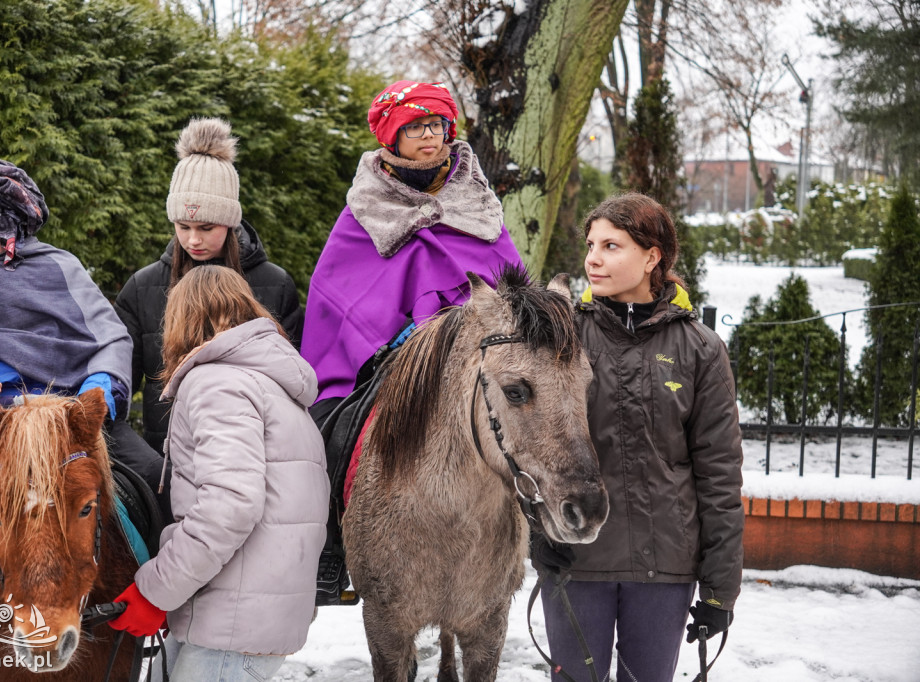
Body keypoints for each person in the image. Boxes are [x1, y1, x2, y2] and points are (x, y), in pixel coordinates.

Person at [0, 155, 167, 568]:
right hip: (0, 420)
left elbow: (110, 333)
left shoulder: (61, 266)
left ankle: (155, 593)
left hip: (74, 414)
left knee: (155, 477)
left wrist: (99, 387)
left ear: (8, 215)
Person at [530, 192, 744, 682]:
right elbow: (527, 448)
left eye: (611, 245)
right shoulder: (561, 339)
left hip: (664, 568)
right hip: (576, 559)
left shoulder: (699, 349)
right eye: (590, 244)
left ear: (652, 256)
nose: (592, 258)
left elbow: (719, 474)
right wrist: (539, 534)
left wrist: (719, 590)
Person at [108, 265, 328, 682]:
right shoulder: (272, 384)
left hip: (233, 622)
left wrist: (156, 591)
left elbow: (230, 505)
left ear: (180, 319)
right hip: (244, 610)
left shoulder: (217, 383)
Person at [301, 80, 524, 422]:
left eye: (436, 125)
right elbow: (335, 297)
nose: (429, 135)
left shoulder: (478, 206)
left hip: (482, 369)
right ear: (393, 135)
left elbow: (511, 291)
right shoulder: (364, 209)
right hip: (387, 377)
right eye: (415, 126)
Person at [115, 116, 303, 456]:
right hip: (166, 462)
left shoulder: (273, 284)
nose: (193, 239)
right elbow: (122, 386)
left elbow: (292, 383)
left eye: (206, 226)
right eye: (182, 226)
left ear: (231, 223)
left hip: (258, 454)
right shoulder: (142, 287)